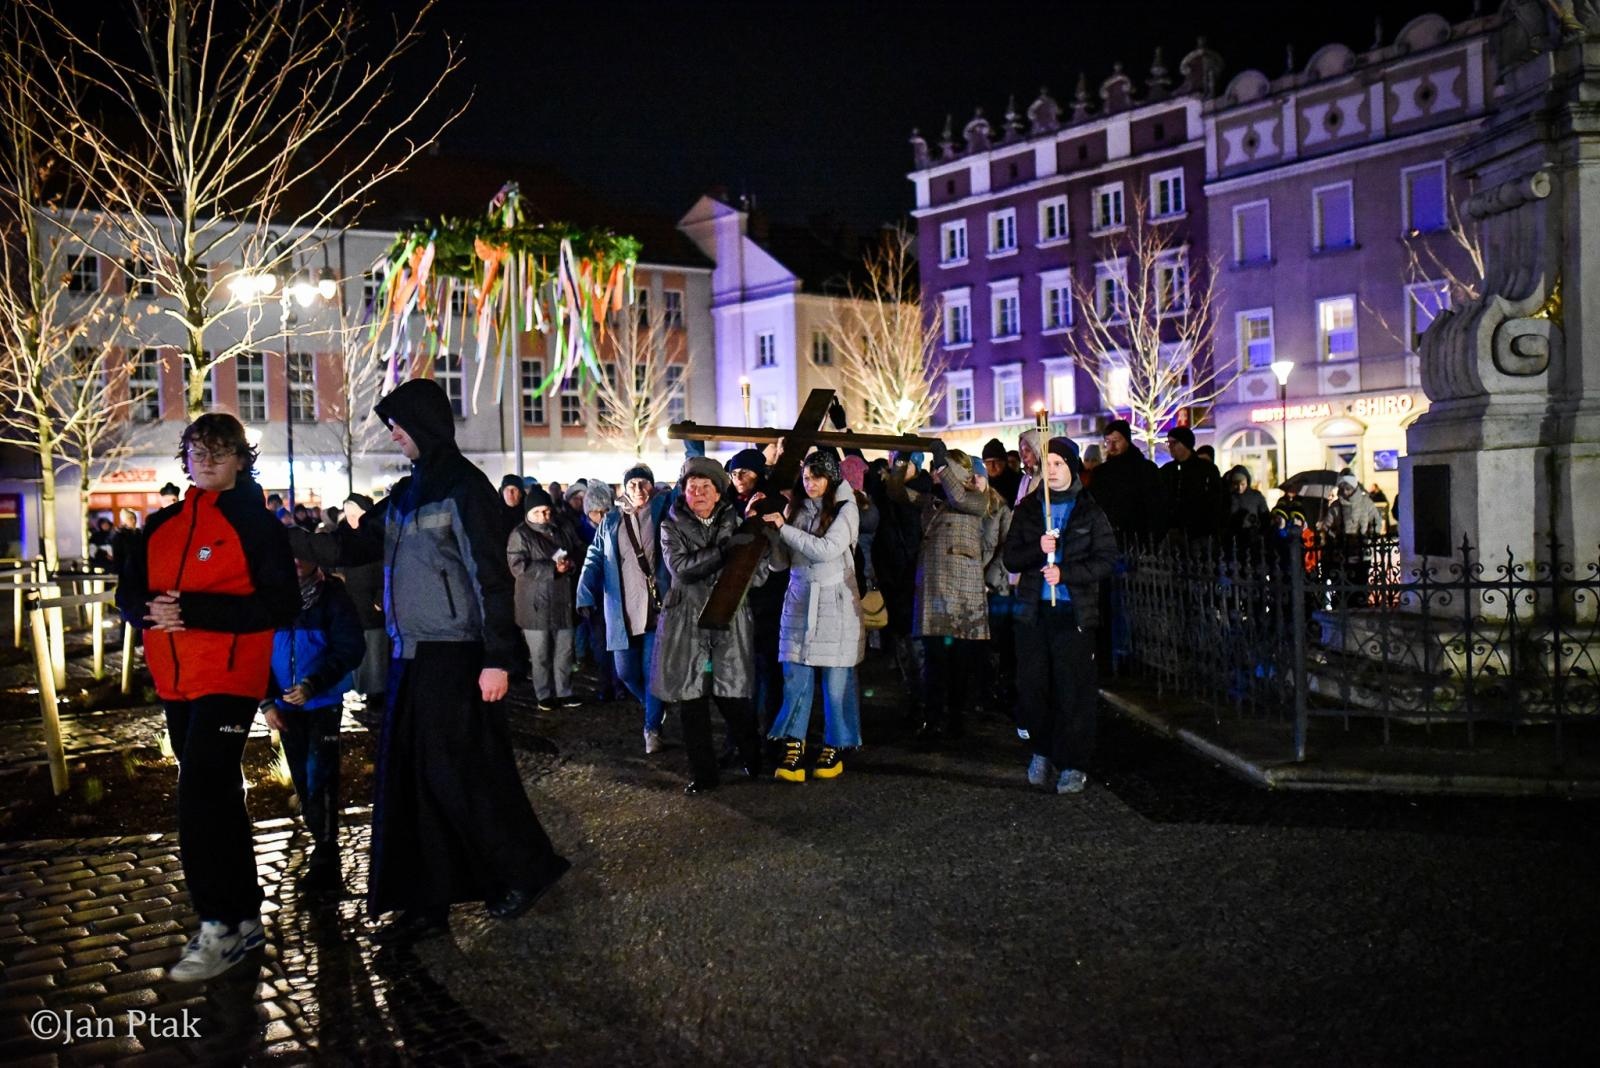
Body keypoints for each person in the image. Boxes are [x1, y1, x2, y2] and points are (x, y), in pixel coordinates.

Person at [287, 378, 569, 943]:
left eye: (398, 425)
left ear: (424, 423)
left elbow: (493, 578)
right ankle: (426, 901)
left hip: (457, 655)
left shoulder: (465, 487)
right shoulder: (409, 492)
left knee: (462, 775)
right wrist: (280, 536)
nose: (393, 435)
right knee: (414, 780)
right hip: (411, 655)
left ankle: (524, 871)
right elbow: (349, 547)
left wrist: (497, 659)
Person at [115, 413, 299, 981]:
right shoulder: (162, 524)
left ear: (242, 459)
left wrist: (191, 611)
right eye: (196, 452)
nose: (204, 462)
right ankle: (244, 920)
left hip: (229, 677)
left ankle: (217, 923)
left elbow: (280, 605)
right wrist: (148, 610)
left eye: (218, 453)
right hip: (175, 679)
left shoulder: (258, 526)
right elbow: (129, 593)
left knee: (197, 794)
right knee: (217, 797)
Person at [1002, 437, 1117, 795]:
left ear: (1071, 467)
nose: (1050, 470)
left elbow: (1106, 559)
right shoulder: (1028, 510)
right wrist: (1037, 550)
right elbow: (1010, 558)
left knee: (1073, 690)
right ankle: (1042, 750)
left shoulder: (1090, 512)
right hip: (1033, 612)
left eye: (1058, 464)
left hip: (1073, 613)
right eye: (1046, 463)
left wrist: (1066, 573)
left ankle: (1073, 762)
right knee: (1034, 687)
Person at [652, 457, 765, 794]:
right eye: (692, 488)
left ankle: (752, 757)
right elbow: (681, 569)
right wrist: (723, 551)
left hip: (728, 618)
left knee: (733, 698)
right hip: (686, 621)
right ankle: (704, 773)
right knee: (692, 701)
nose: (698, 493)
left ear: (718, 493)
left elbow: (756, 575)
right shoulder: (670, 525)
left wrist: (754, 545)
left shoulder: (739, 522)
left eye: (705, 488)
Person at [261, 553, 365, 896]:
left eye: (301, 554)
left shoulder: (331, 595)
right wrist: (266, 702)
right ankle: (321, 846)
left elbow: (350, 648)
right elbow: (255, 650)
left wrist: (313, 684)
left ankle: (326, 855)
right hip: (285, 706)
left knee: (322, 778)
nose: (293, 561)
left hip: (322, 702)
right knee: (305, 783)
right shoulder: (270, 595)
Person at [760, 450, 865, 782]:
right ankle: (795, 744)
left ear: (831, 478)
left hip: (835, 600)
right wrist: (770, 533)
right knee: (796, 678)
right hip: (800, 599)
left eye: (817, 477)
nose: (811, 483)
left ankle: (836, 743)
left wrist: (784, 529)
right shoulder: (796, 508)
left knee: (836, 682)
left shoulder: (846, 511)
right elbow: (782, 562)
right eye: (806, 477)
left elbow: (826, 550)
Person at [889, 444, 989, 739]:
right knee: (935, 660)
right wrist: (902, 460)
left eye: (942, 468)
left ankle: (956, 720)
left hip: (961, 593)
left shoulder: (976, 499)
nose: (934, 472)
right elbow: (896, 493)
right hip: (934, 588)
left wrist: (943, 463)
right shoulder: (931, 501)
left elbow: (958, 496)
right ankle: (933, 720)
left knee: (958, 661)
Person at [576, 463, 672, 752]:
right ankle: (653, 708)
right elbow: (594, 556)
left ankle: (651, 729)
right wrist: (584, 592)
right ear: (624, 488)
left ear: (652, 486)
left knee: (651, 671)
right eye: (633, 484)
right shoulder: (611, 520)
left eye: (644, 484)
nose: (639, 489)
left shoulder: (664, 511)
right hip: (622, 611)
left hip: (656, 609)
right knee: (626, 673)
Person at [726, 447, 787, 734]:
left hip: (767, 597)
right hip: (737, 597)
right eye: (734, 473)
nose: (738, 478)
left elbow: (776, 554)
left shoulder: (770, 502)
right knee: (739, 670)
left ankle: (768, 729)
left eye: (745, 473)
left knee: (766, 668)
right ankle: (742, 734)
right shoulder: (728, 504)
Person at [508, 485, 583, 711]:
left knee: (565, 650)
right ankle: (544, 693)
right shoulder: (520, 534)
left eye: (546, 511)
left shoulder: (563, 527)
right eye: (538, 512)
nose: (544, 516)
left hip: (563, 599)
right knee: (539, 653)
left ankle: (565, 691)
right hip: (535, 603)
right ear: (529, 513)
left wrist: (571, 564)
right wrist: (552, 569)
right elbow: (517, 566)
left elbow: (579, 549)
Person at [335, 494, 387, 709]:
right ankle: (364, 687)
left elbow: (389, 569)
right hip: (353, 605)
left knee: (376, 650)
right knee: (361, 649)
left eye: (355, 514)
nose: (351, 518)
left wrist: (379, 598)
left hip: (373, 607)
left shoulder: (379, 537)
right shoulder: (344, 537)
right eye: (348, 515)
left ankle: (378, 691)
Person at [1087, 419, 1163, 543]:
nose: (1111, 446)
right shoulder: (1100, 473)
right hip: (1107, 537)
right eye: (1108, 441)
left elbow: (1155, 505)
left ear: (1127, 440)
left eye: (1116, 441)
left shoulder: (1145, 469)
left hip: (1138, 537)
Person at [1159, 426, 1224, 547]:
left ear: (1186, 444)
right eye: (1169, 442)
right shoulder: (1167, 470)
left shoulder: (1206, 469)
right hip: (1173, 531)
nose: (1171, 447)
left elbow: (1216, 500)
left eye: (1174, 442)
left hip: (1200, 533)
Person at [1223, 466, 1271, 551]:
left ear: (1247, 482)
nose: (1239, 487)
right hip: (1233, 540)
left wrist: (1261, 533)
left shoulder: (1256, 496)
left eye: (1242, 484)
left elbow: (1265, 517)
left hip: (1253, 539)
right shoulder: (1228, 498)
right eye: (1235, 484)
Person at [983, 437, 1020, 504]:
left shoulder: (1019, 483)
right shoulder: (982, 483)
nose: (992, 466)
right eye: (988, 463)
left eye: (996, 462)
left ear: (1004, 462)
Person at [499, 475, 526, 539]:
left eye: (514, 489)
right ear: (502, 492)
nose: (510, 493)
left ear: (521, 493)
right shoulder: (494, 511)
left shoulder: (529, 513)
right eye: (507, 489)